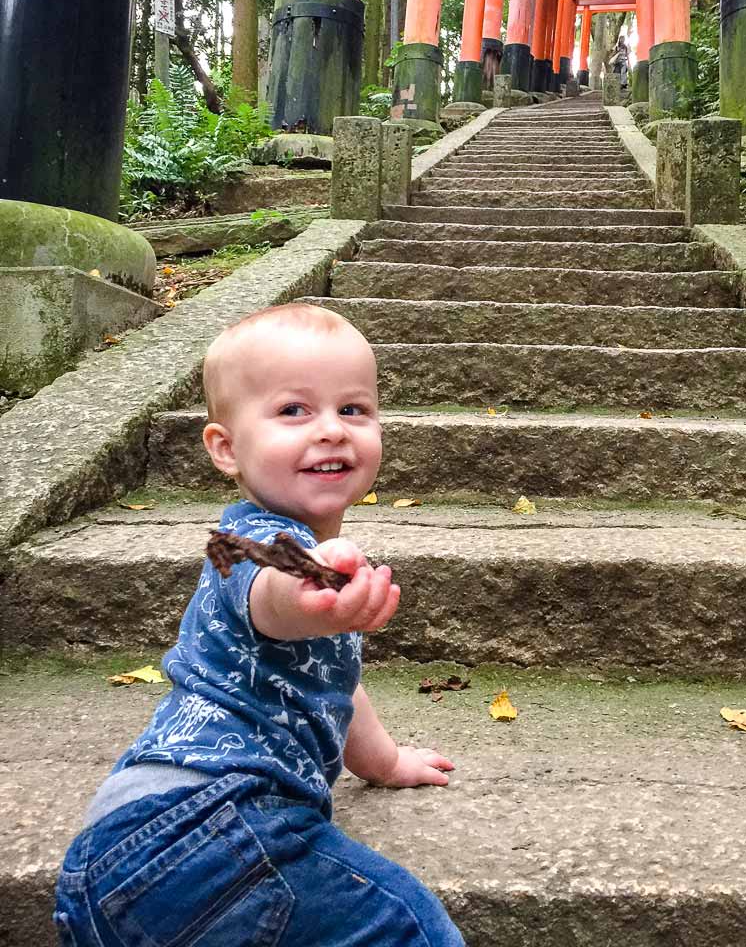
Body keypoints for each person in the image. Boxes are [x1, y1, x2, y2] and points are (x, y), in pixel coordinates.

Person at [54, 303, 464, 947]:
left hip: (129, 842)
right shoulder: (241, 541)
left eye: (352, 409)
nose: (331, 430)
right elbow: (269, 589)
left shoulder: (297, 557)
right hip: (208, 825)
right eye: (294, 411)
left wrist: (382, 762)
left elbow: (334, 684)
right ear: (225, 447)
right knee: (408, 927)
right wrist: (307, 586)